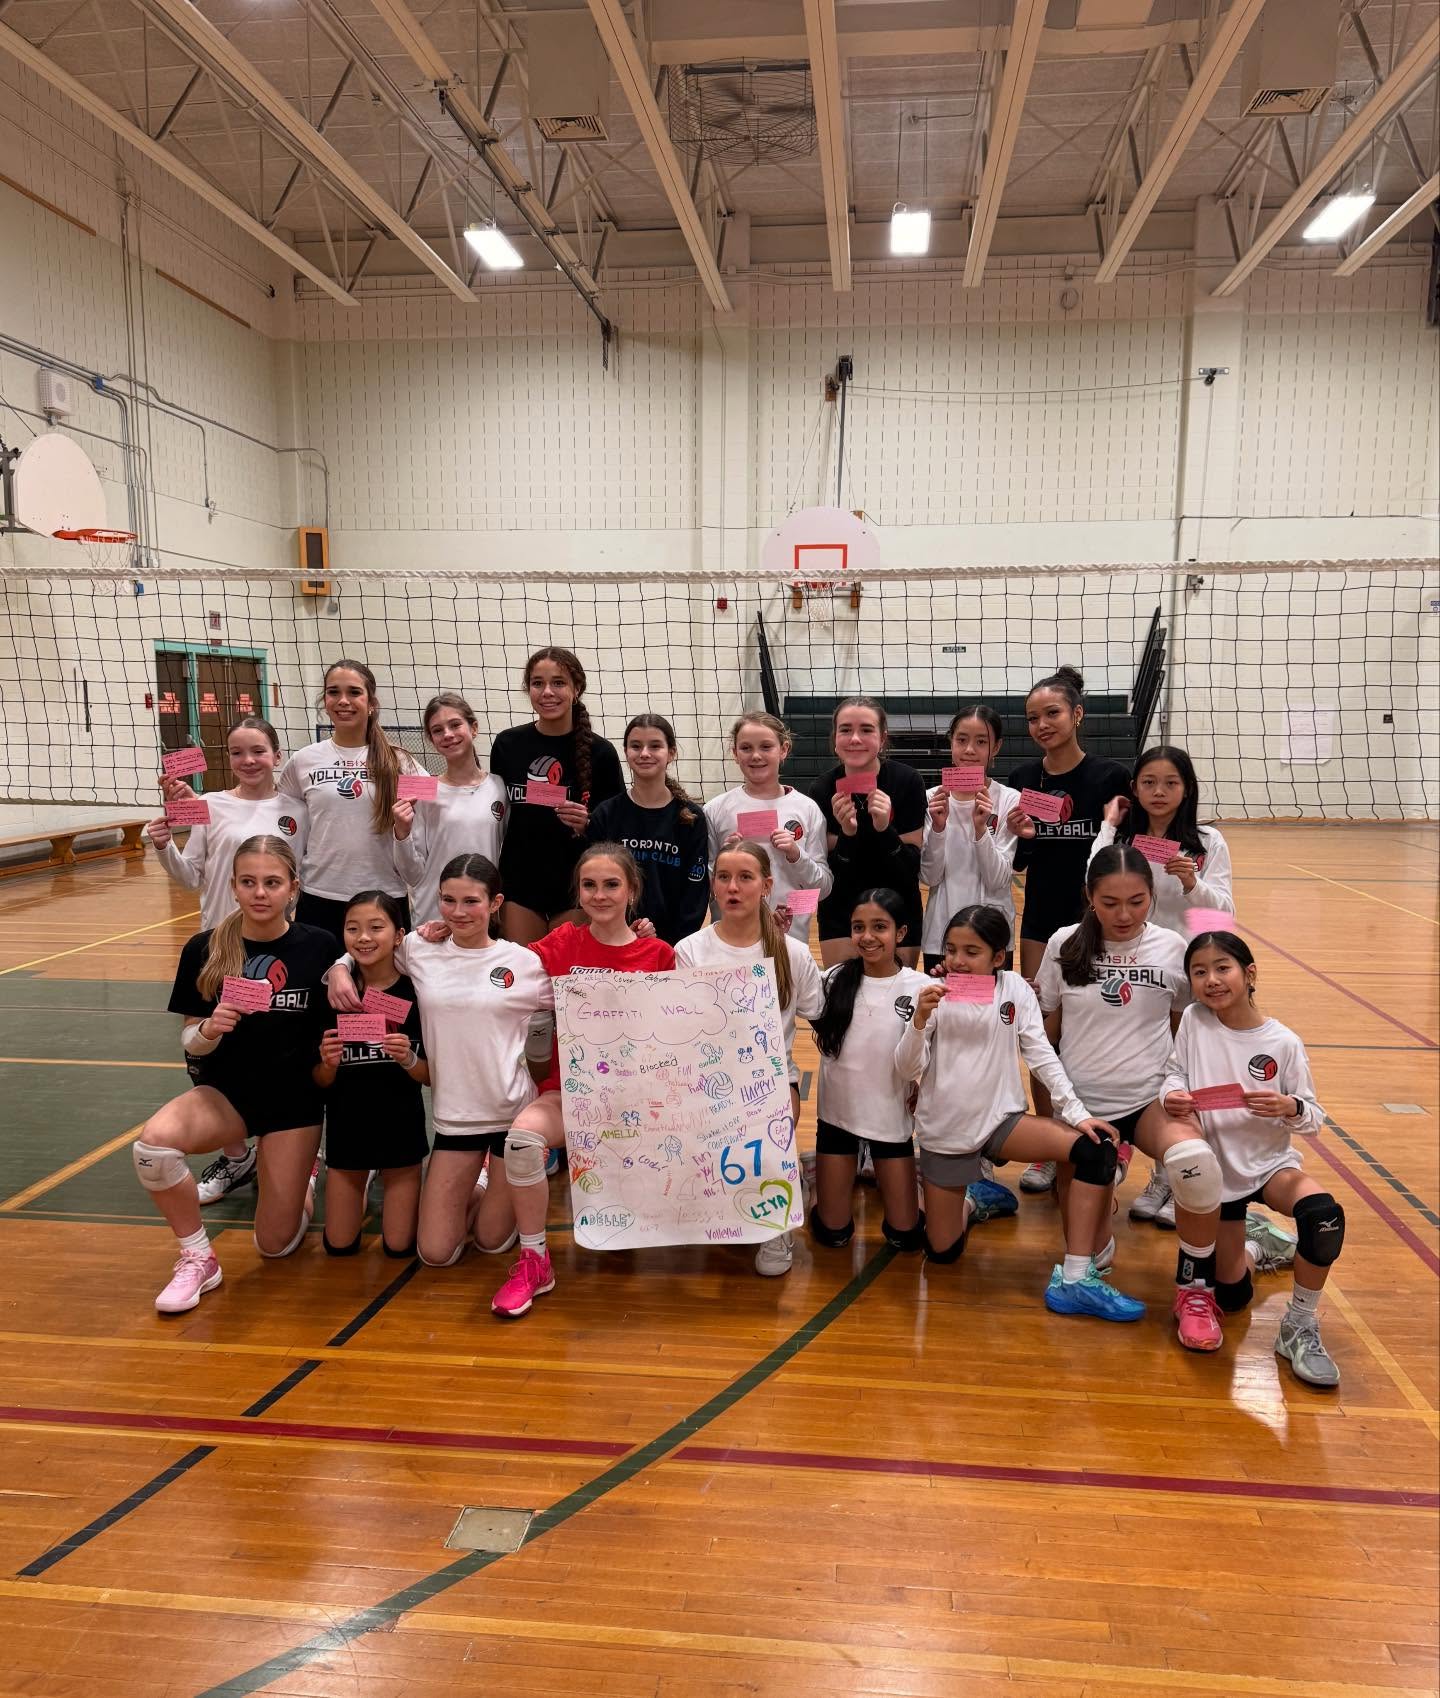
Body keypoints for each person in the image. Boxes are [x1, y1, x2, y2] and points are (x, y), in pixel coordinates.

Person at [895, 903, 1146, 1320]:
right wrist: (920, 1018)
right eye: (951, 949)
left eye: (971, 951)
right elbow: (906, 1069)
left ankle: (1076, 1277)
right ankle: (976, 1199)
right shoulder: (929, 992)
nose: (957, 960)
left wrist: (1077, 1113)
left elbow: (1041, 1055)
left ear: (998, 957)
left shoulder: (1013, 989)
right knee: (942, 1252)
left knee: (1094, 1147)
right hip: (946, 1130)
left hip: (1002, 1120)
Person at [325, 855, 555, 1271]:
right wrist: (339, 969)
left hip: (511, 1115)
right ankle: (478, 1179)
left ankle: (493, 1181)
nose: (458, 912)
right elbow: (368, 947)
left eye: (471, 901)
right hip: (455, 1118)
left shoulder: (523, 963)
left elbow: (574, 1004)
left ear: (496, 902)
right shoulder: (418, 949)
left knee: (490, 1241)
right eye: (448, 901)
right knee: (435, 1252)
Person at [137, 836, 332, 1313]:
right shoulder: (205, 948)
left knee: (276, 1245)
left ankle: (300, 1173)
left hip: (295, 1102)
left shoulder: (321, 947)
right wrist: (210, 1027)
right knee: (152, 1150)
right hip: (228, 1096)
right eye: (248, 882)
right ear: (233, 886)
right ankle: (197, 1257)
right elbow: (189, 1041)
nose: (259, 893)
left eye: (271, 883)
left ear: (293, 888)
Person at [491, 844, 675, 1317]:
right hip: (569, 1093)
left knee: (622, 1242)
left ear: (632, 891)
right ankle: (534, 1261)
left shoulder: (658, 954)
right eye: (589, 885)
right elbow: (490, 966)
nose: (599, 894)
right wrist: (437, 935)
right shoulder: (560, 946)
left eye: (611, 884)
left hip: (636, 1104)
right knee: (523, 1141)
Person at [1161, 930, 1342, 1385]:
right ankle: (1257, 1246)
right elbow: (1174, 1073)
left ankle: (1299, 1324)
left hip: (1270, 1166)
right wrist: (1173, 1095)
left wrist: (1291, 1107)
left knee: (1323, 1219)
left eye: (1222, 968)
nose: (1211, 980)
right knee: (1233, 1295)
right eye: (1199, 972)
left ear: (1249, 974)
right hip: (1216, 1174)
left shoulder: (1283, 1042)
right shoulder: (1195, 1022)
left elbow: (1314, 1117)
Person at [147, 714, 307, 1204]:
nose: (248, 761)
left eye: (258, 751)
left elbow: (310, 873)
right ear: (228, 759)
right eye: (238, 753)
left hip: (277, 946)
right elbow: (190, 875)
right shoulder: (209, 806)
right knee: (213, 1052)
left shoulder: (297, 808)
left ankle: (296, 1149)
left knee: (284, 1050)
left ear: (276, 756)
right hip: (220, 946)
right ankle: (238, 1157)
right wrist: (162, 847)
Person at [1087, 744, 1236, 1230]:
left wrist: (1194, 884)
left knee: (1188, 1074)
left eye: (1170, 783)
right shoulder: (1126, 840)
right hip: (1134, 970)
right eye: (1149, 782)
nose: (1159, 792)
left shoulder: (1207, 841)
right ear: (1135, 788)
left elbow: (1221, 917)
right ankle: (1158, 1174)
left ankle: (1175, 1176)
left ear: (1186, 789)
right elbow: (1094, 880)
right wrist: (1109, 825)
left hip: (1188, 971)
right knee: (1148, 1070)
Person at [1035, 845, 1189, 1282]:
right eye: (1110, 903)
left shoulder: (1172, 947)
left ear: (1152, 895)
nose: (1124, 914)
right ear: (1089, 896)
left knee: (1195, 1164)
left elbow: (1183, 1028)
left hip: (1148, 1100)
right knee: (1091, 1251)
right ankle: (1106, 1169)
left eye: (1136, 902)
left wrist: (1185, 1090)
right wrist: (1051, 1116)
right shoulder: (1064, 944)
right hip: (1082, 1106)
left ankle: (1198, 1278)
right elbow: (1045, 1036)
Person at [676, 840, 826, 1276]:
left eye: (745, 878)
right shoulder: (690, 951)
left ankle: (776, 1223)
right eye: (724, 877)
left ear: (766, 885)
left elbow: (822, 1017)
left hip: (772, 1082)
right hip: (708, 1080)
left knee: (768, 1132)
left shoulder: (792, 954)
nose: (733, 887)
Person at [1007, 666, 1131, 1196]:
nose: (1042, 725)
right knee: (1040, 1030)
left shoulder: (1108, 777)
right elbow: (1020, 858)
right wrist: (1020, 836)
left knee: (1098, 1024)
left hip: (1095, 920)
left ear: (1077, 715)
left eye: (1052, 713)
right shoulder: (1023, 779)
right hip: (1039, 915)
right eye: (1033, 718)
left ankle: (1107, 1138)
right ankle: (1049, 1142)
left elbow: (1127, 855)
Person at [809, 889, 929, 1252]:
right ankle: (814, 1179)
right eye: (858, 927)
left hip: (889, 1119)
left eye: (880, 927)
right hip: (837, 1117)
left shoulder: (920, 988)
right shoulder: (831, 980)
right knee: (834, 1234)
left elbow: (930, 1057)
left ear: (901, 933)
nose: (867, 937)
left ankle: (918, 1184)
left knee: (905, 1235)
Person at [313, 891, 428, 1258]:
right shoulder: (334, 993)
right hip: (348, 1132)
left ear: (398, 935)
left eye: (376, 927)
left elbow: (428, 1077)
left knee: (399, 1247)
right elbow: (319, 1081)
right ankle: (329, 1181)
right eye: (353, 928)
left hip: (401, 1133)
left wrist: (408, 1058)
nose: (363, 937)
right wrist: (328, 1065)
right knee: (339, 1246)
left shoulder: (417, 992)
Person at [278, 658, 420, 944]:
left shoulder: (400, 761)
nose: (343, 700)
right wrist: (210, 804)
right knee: (321, 987)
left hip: (383, 897)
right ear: (325, 700)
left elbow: (442, 799)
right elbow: (280, 819)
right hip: (320, 895)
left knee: (381, 988)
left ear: (371, 703)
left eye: (354, 692)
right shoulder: (303, 760)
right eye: (334, 692)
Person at [489, 647, 624, 944]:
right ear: (529, 689)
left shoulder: (601, 753)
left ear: (576, 689)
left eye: (559, 683)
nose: (547, 692)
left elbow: (616, 830)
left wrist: (587, 824)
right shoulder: (507, 745)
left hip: (576, 885)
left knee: (569, 984)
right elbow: (496, 813)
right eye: (538, 683)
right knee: (524, 980)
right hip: (520, 883)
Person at [810, 696, 926, 968]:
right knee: (842, 1000)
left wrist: (885, 829)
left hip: (898, 907)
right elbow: (830, 876)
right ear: (835, 738)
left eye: (866, 729)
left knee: (896, 1003)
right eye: (846, 729)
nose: (855, 738)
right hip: (841, 910)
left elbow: (910, 868)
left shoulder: (907, 781)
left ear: (882, 738)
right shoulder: (822, 789)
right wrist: (848, 835)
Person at [703, 712, 831, 944]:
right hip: (731, 943)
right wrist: (724, 860)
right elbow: (704, 888)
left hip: (790, 941)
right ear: (735, 753)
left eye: (766, 747)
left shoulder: (807, 809)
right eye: (746, 748)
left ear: (784, 750)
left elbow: (822, 888)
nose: (756, 756)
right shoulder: (715, 810)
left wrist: (796, 854)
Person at [588, 713, 710, 945]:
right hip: (617, 939)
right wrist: (623, 932)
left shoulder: (691, 817)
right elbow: (597, 885)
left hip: (673, 944)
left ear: (671, 753)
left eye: (655, 746)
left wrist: (674, 944)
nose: (644, 753)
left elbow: (695, 893)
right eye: (636, 746)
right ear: (626, 752)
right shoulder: (606, 814)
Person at [920, 704, 1022, 973]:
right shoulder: (932, 799)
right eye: (961, 740)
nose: (969, 750)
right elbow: (929, 877)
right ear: (951, 743)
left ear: (996, 748)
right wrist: (939, 829)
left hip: (993, 936)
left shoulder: (1009, 799)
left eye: (981, 742)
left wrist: (980, 830)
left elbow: (998, 879)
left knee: (992, 1014)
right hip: (942, 936)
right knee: (944, 1014)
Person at [393, 692, 508, 926]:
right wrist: (401, 831)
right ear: (431, 739)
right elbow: (412, 874)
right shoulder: (423, 792)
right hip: (434, 917)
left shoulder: (499, 787)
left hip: (483, 917)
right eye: (437, 730)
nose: (447, 734)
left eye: (455, 725)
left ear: (473, 728)